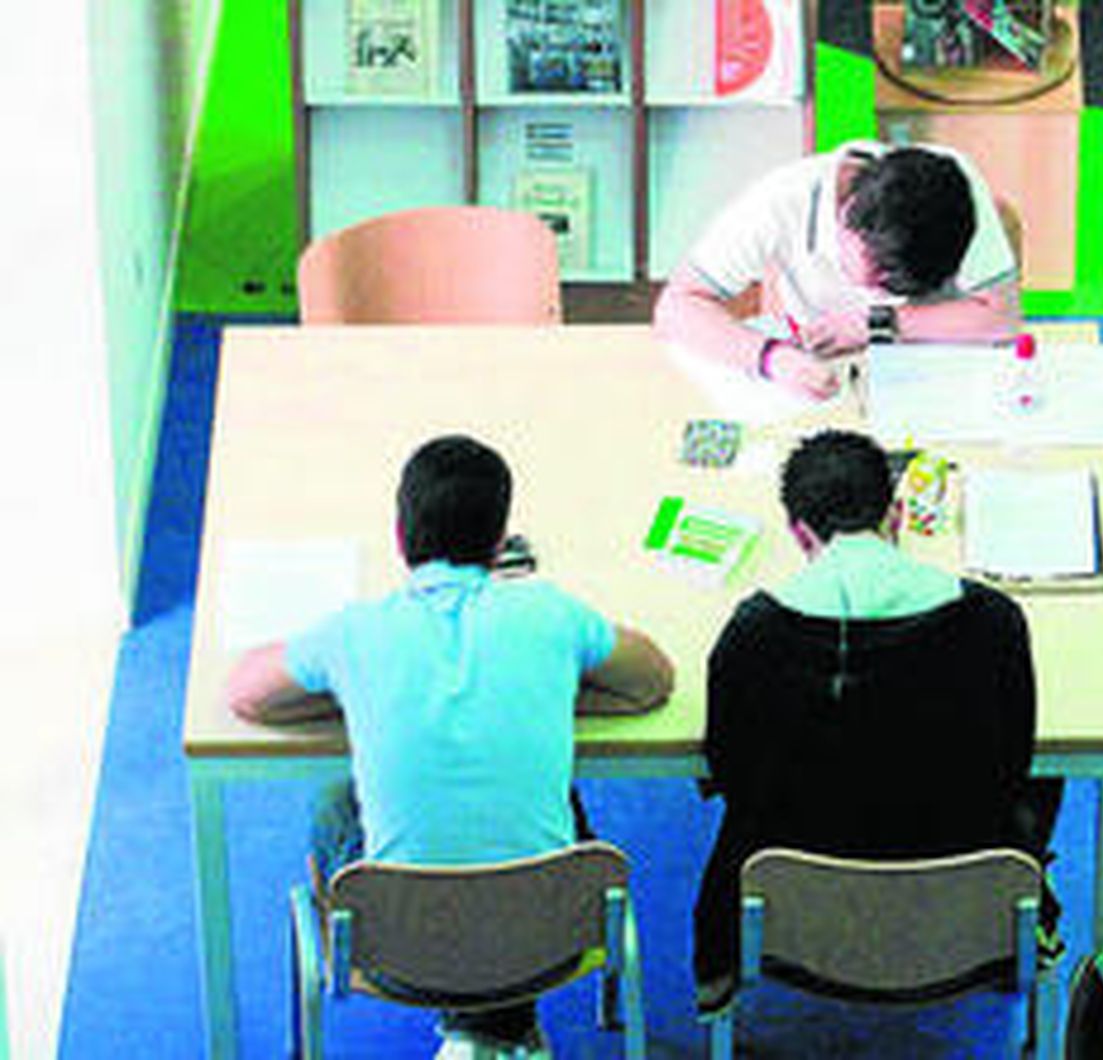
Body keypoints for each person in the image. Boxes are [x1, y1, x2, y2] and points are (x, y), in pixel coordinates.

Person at [225, 434, 674, 1060]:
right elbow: (651, 680)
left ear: (400, 538)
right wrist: (553, 689)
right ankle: (501, 1028)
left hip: (395, 950)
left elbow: (246, 693)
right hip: (547, 939)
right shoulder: (552, 615)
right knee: (546, 800)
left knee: (333, 803)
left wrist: (354, 695)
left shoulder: (355, 632)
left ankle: (477, 1031)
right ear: (500, 545)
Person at [691, 430, 1060, 1006]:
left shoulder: (752, 635)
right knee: (1053, 771)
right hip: (959, 901)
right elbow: (1015, 761)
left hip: (794, 910)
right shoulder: (994, 622)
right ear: (898, 515)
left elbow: (726, 770)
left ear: (798, 532)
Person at [654, 141, 1022, 400]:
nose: (881, 294)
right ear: (848, 218)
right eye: (880, 280)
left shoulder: (953, 190)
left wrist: (874, 322)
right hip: (820, 362)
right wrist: (772, 359)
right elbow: (675, 308)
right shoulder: (780, 202)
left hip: (934, 364)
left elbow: (1001, 318)